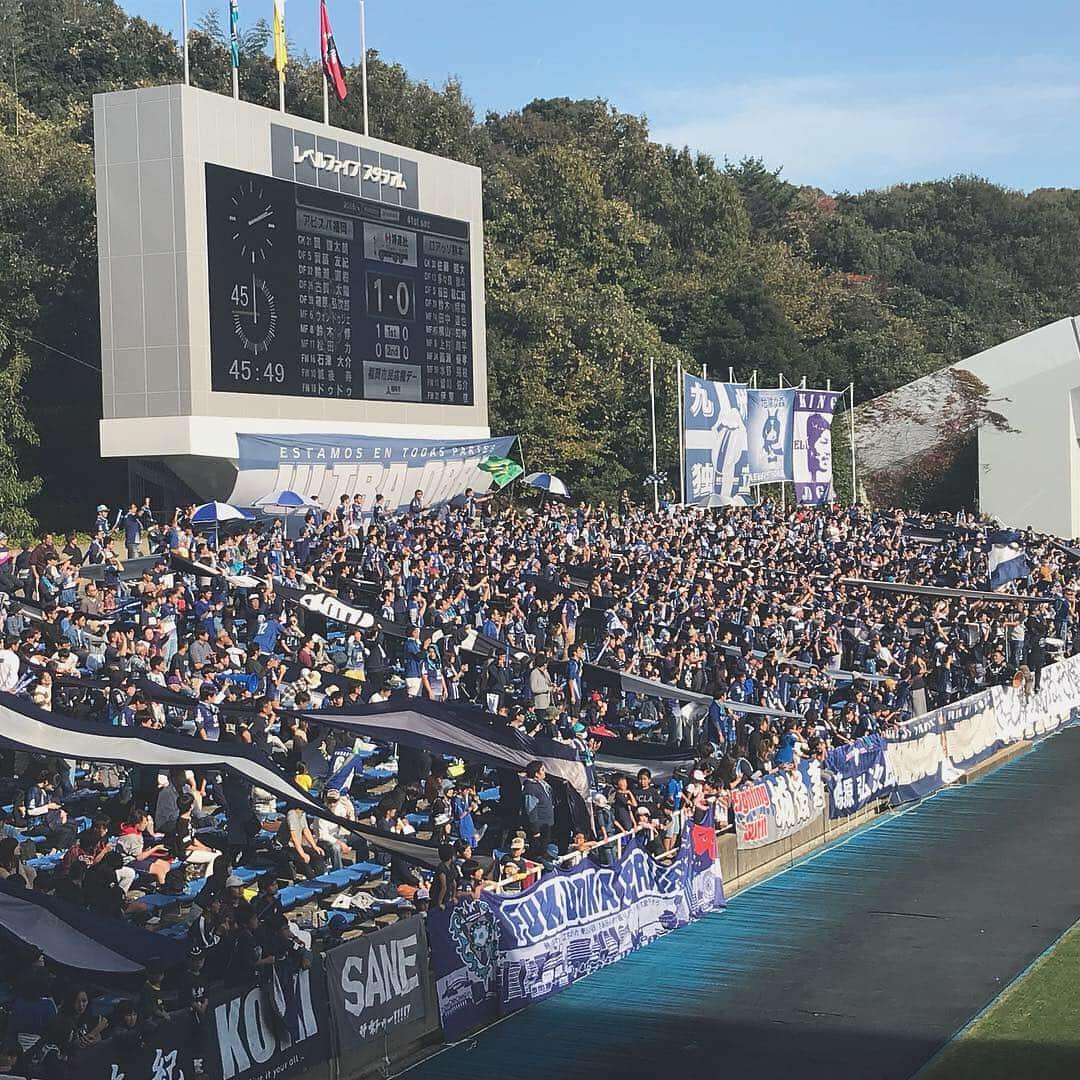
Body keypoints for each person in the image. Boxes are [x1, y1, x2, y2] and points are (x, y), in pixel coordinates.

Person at [522, 760, 555, 855]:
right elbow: (531, 809)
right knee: (537, 850)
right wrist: (535, 829)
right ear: (536, 774)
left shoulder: (542, 785)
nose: (545, 772)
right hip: (538, 826)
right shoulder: (530, 788)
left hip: (546, 824)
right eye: (543, 770)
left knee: (545, 847)